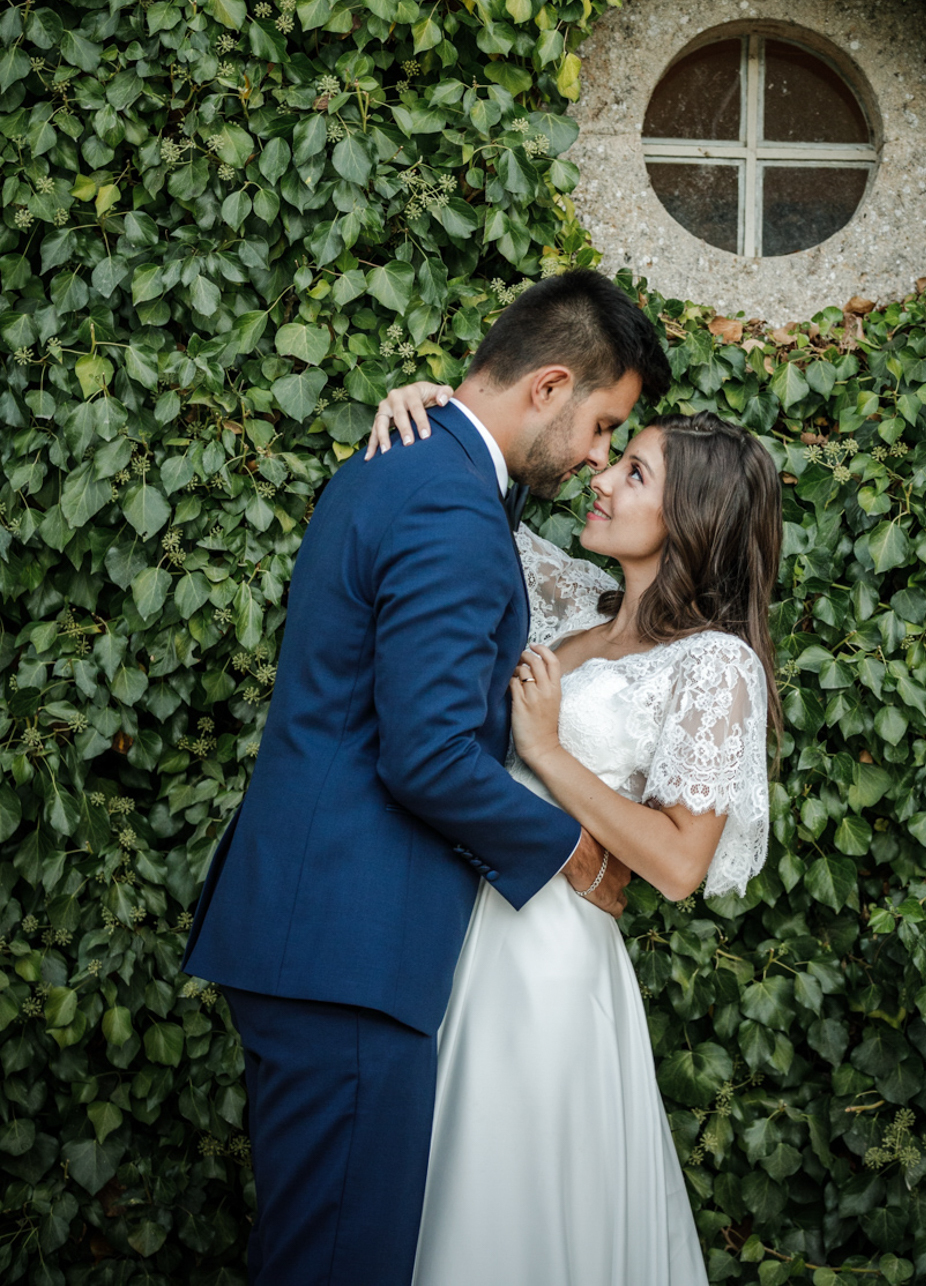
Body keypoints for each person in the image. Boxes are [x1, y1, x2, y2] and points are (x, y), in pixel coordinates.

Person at [181, 270, 671, 1286]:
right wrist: (574, 852)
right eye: (602, 423)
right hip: (350, 948)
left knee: (311, 1247)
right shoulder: (450, 505)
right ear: (547, 385)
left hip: (310, 934)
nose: (594, 457)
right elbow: (430, 753)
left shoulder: (395, 464)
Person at [369, 381, 782, 1286]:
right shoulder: (571, 600)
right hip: (451, 922)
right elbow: (466, 484)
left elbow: (678, 863)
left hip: (546, 956)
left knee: (508, 1205)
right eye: (616, 455)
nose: (601, 478)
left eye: (633, 472)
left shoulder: (714, 664)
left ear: (692, 519)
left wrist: (548, 753)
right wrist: (426, 404)